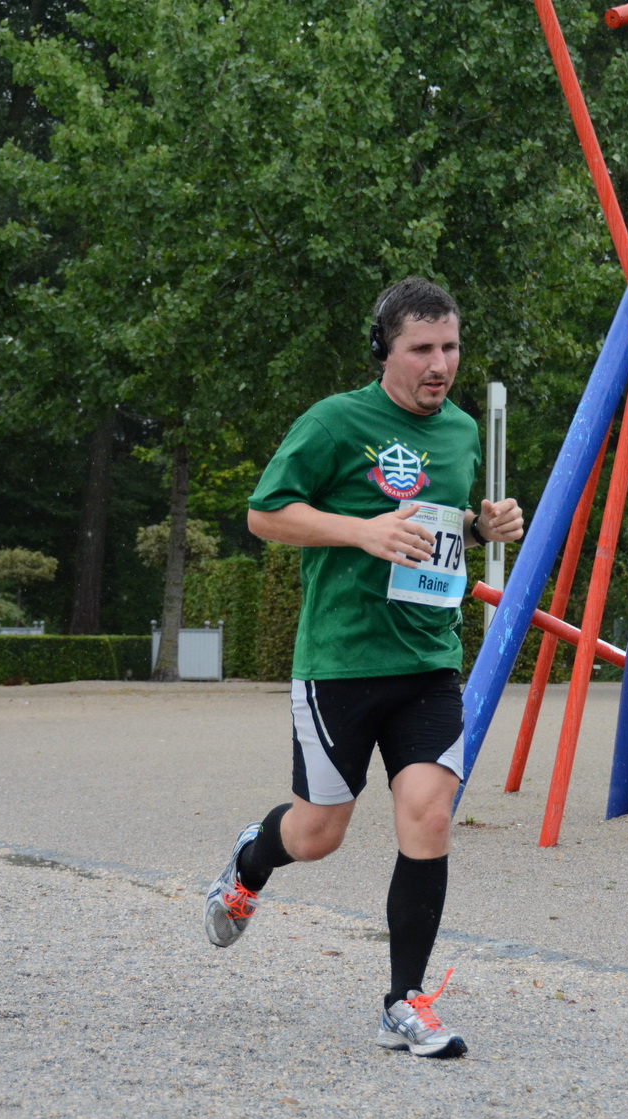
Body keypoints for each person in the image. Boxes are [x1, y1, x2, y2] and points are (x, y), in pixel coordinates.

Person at [204, 277, 523, 1059]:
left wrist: (488, 525)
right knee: (318, 833)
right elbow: (264, 512)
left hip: (428, 660)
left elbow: (447, 525)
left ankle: (403, 1001)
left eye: (449, 347)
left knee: (429, 815)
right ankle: (250, 862)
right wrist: (361, 532)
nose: (439, 364)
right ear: (385, 350)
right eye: (421, 349)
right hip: (341, 662)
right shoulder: (335, 422)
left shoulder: (458, 432)